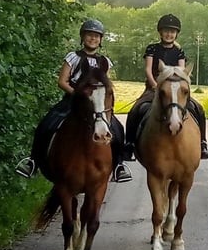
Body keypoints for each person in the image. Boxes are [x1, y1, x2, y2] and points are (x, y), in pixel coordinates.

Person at [15, 19, 133, 183]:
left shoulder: (104, 61)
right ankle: (33, 161)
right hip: (73, 100)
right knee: (47, 123)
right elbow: (62, 81)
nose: (93, 39)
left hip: (97, 103)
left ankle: (119, 165)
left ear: (101, 39)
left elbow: (106, 84)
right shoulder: (73, 57)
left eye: (96, 36)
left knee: (117, 128)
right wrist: (78, 94)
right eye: (89, 35)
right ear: (83, 37)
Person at [123, 13, 208, 161]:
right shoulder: (152, 48)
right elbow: (148, 70)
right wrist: (156, 86)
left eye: (172, 31)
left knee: (198, 109)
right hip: (153, 88)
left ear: (176, 34)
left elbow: (182, 72)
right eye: (166, 31)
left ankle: (202, 142)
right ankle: (130, 144)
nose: (169, 34)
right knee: (136, 110)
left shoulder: (179, 52)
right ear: (160, 32)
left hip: (176, 90)